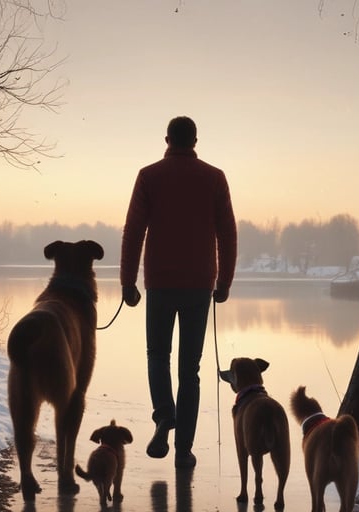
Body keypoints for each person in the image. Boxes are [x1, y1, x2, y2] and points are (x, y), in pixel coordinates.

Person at [120, 116, 237, 469]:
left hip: (160, 283)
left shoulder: (149, 176)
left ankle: (163, 416)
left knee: (157, 355)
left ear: (167, 139)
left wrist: (128, 281)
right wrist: (224, 281)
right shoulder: (214, 178)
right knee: (190, 369)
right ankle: (184, 450)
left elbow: (134, 231)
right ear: (196, 140)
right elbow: (227, 234)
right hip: (200, 284)